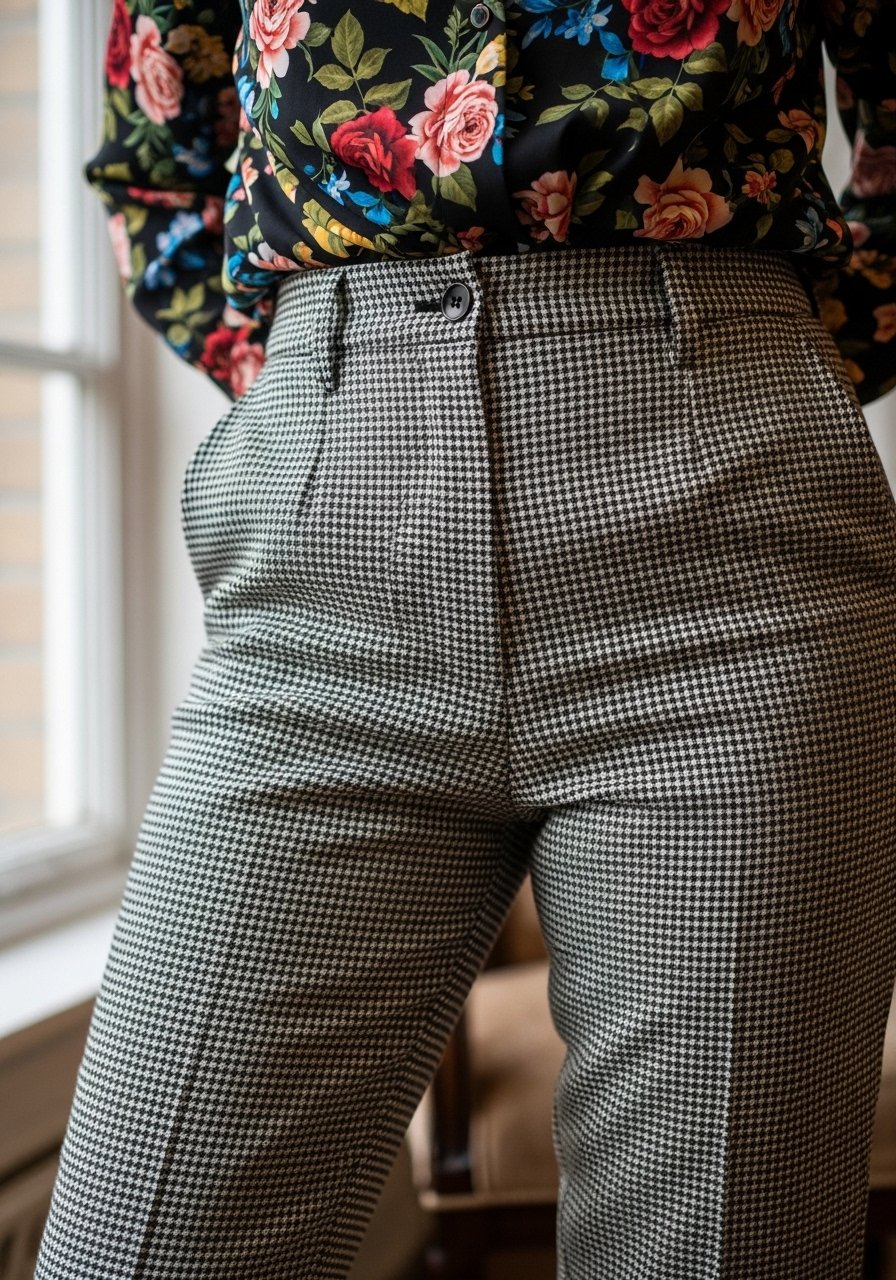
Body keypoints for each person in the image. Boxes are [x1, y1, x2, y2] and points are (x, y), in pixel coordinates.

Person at [33, 0, 896, 1276]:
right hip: (330, 520)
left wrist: (784, 366)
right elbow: (160, 151)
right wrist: (318, 396)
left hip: (729, 526)